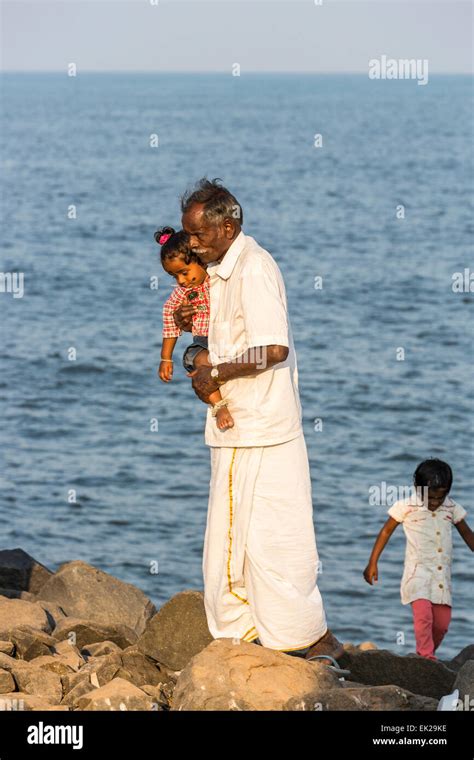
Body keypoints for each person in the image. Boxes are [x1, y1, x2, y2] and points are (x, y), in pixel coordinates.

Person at [172, 177, 344, 665]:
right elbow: (231, 336)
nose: (193, 245)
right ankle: (294, 635)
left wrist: (215, 373)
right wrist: (198, 345)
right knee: (269, 537)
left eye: (199, 235)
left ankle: (256, 635)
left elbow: (274, 347)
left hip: (253, 429)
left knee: (243, 542)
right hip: (258, 427)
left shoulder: (253, 268)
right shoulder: (223, 270)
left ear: (228, 227)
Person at [363, 458, 473, 660]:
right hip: (417, 574)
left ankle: (426, 653)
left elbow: (467, 533)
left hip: (441, 578)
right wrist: (373, 562)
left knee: (441, 624)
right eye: (429, 497)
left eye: (440, 498)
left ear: (448, 491)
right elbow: (386, 531)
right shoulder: (406, 506)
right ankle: (426, 655)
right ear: (417, 487)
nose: (434, 503)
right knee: (423, 616)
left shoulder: (451, 508)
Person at [155, 226, 234, 431]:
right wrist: (165, 358)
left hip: (228, 339)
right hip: (202, 342)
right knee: (197, 360)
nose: (181, 281)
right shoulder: (183, 293)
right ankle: (219, 405)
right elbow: (169, 317)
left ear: (200, 261)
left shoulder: (219, 278)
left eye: (183, 272)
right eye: (174, 276)